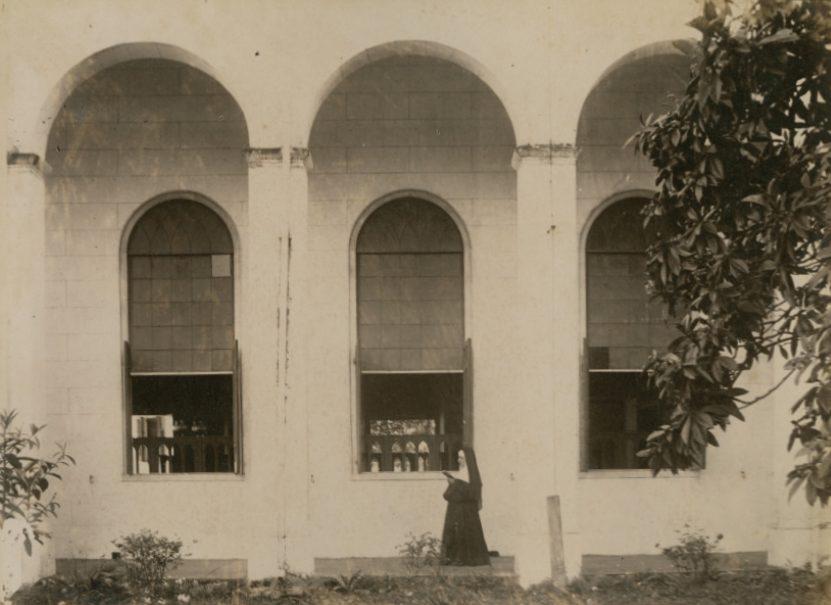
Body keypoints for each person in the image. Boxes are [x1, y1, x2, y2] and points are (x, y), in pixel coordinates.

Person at [440, 446, 490, 566]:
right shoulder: (461, 474)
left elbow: (471, 494)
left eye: (461, 458)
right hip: (455, 510)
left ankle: (463, 559)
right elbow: (448, 495)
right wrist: (453, 484)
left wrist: (455, 484)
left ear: (468, 460)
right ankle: (452, 558)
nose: (459, 461)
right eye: (458, 458)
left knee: (464, 533)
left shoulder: (473, 476)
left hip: (466, 512)